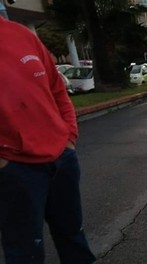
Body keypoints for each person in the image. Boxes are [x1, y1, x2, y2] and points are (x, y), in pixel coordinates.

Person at [0, 14, 96, 264]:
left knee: (74, 237)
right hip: (14, 168)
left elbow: (57, 88)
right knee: (25, 251)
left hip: (61, 159)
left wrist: (69, 137)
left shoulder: (21, 34)